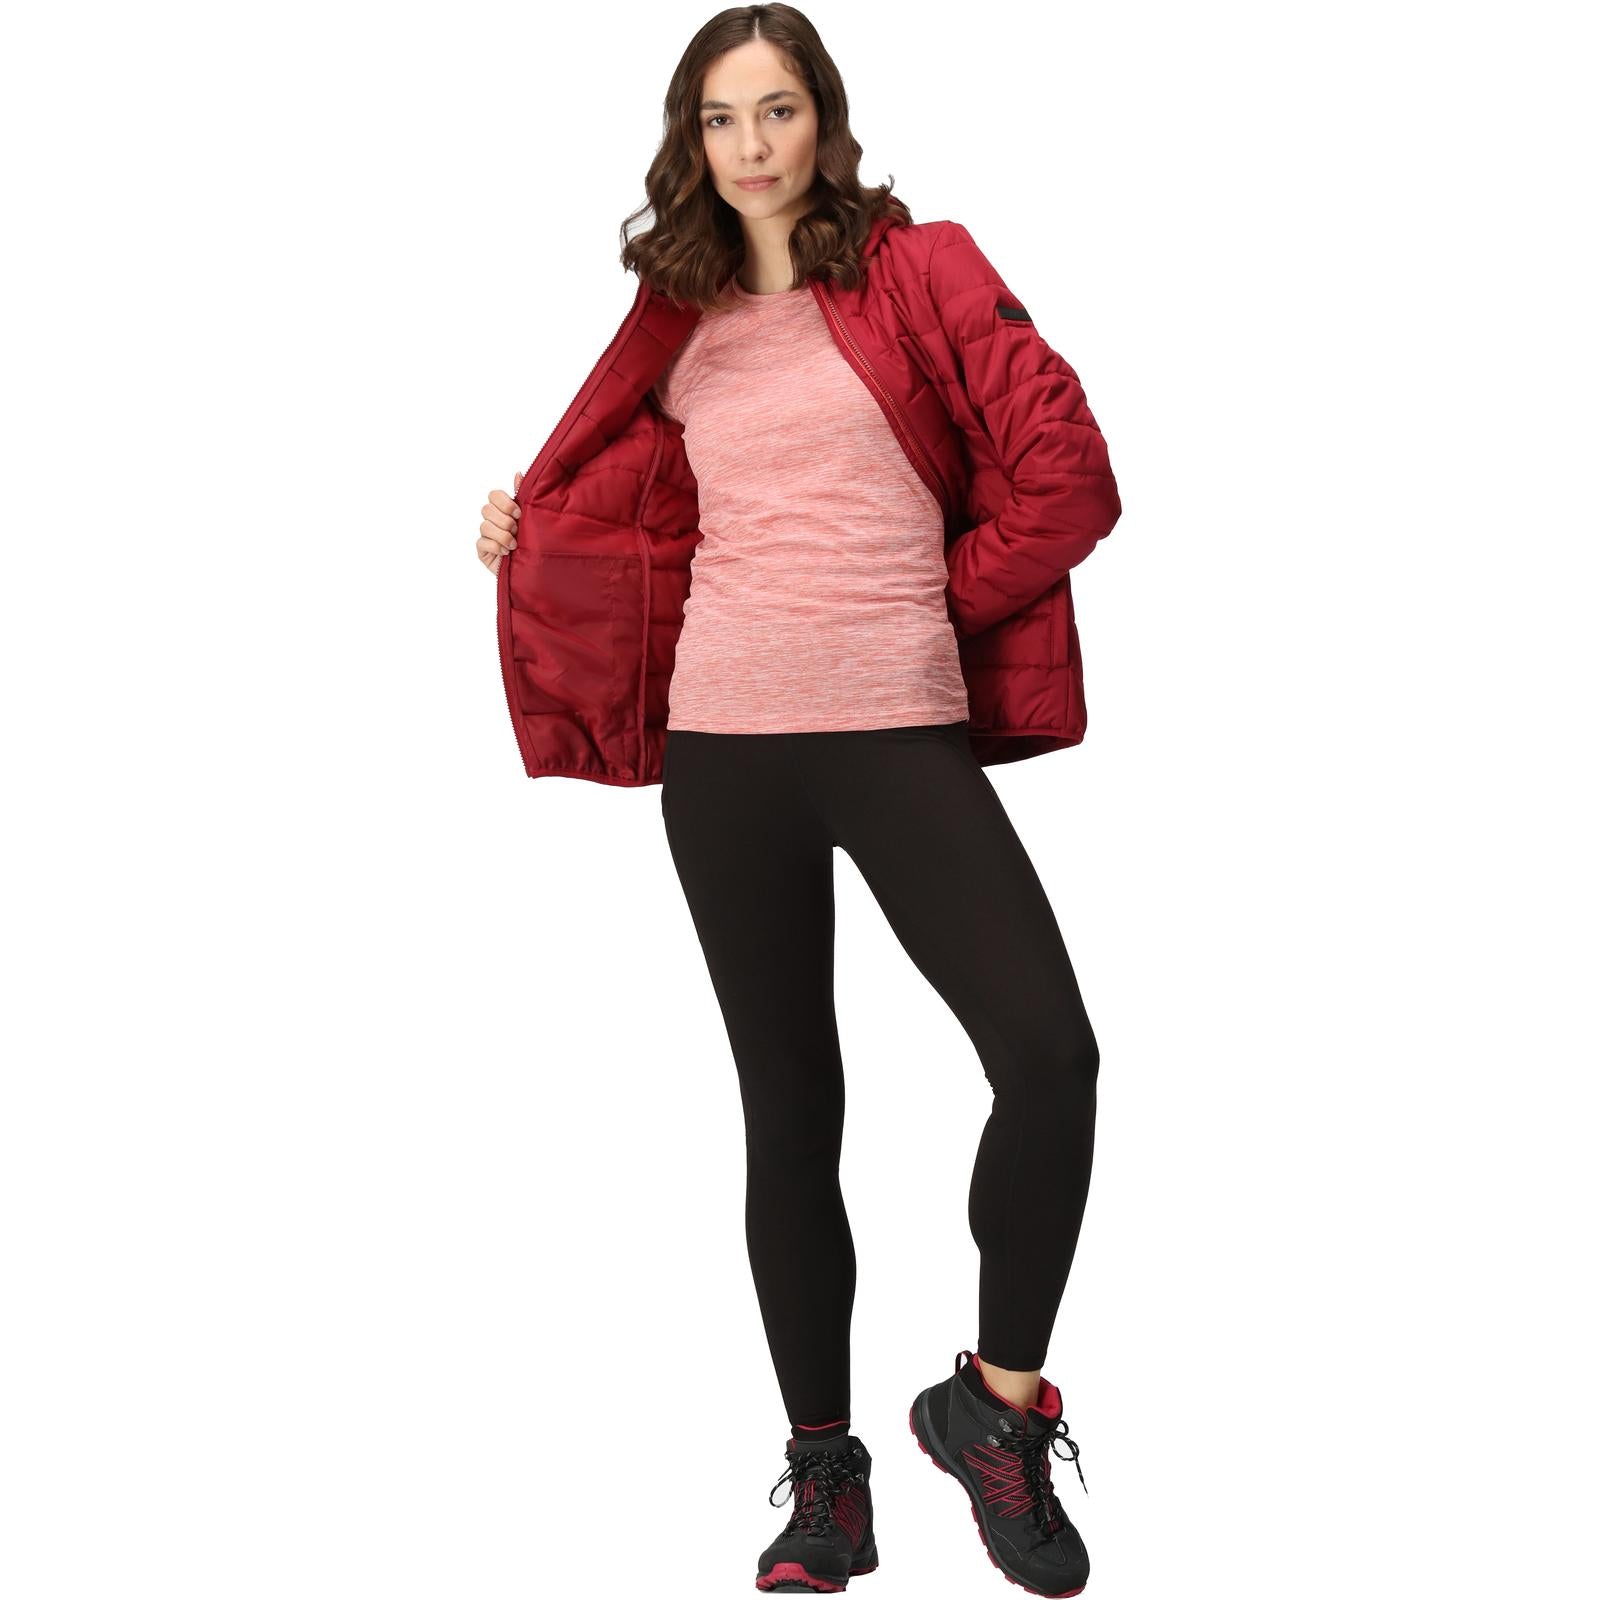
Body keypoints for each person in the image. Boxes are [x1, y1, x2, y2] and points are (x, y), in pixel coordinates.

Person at [474, 9, 1120, 1595]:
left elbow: (1072, 475)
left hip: (894, 729)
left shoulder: (922, 267)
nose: (751, 144)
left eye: (776, 110)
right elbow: (628, 517)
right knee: (792, 1113)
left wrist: (924, 602)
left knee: (1049, 1055)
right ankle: (825, 1477)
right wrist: (522, 531)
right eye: (720, 117)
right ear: (690, 140)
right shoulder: (673, 315)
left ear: (823, 118)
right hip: (728, 751)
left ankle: (992, 1411)